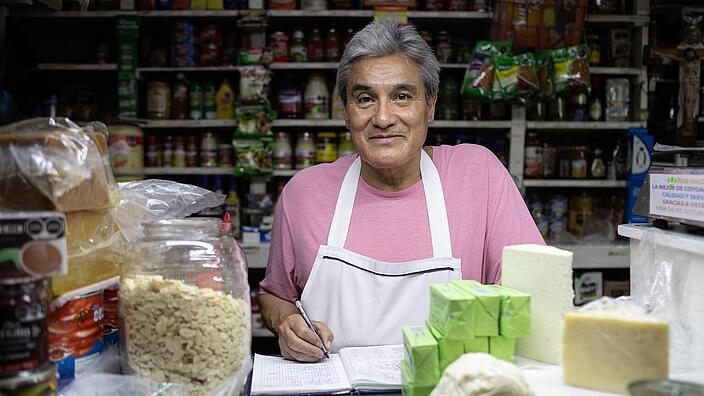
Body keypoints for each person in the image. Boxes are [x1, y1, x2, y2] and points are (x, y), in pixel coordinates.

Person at [259, 20, 544, 362]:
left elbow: (533, 291)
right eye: (365, 99)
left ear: (430, 107)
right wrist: (286, 323)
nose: (383, 117)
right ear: (346, 112)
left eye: (402, 97)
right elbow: (275, 295)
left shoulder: (478, 175)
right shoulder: (303, 194)